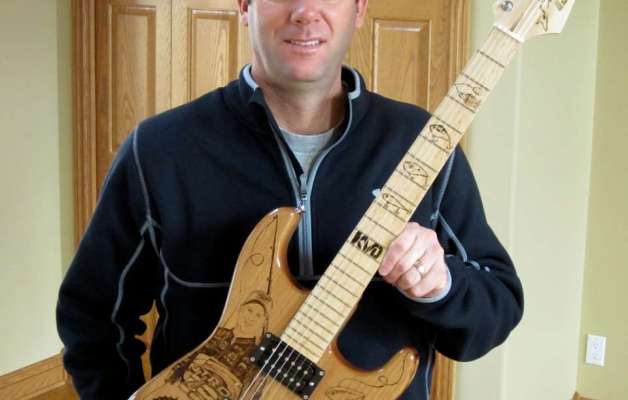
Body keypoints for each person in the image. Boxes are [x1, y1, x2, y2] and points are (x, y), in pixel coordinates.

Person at [56, 0, 524, 399]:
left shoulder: (422, 145)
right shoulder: (160, 150)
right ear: (245, 5)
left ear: (360, 8)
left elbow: (495, 311)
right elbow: (92, 316)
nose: (305, 12)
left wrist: (440, 285)